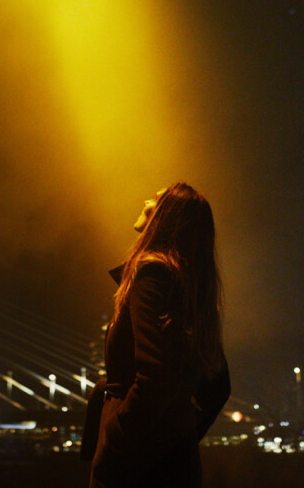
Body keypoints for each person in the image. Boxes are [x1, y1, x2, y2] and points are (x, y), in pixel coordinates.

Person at [84, 183, 231, 488]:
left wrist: (117, 436)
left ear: (166, 216)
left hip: (134, 464)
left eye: (157, 197)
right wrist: (180, 432)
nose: (146, 198)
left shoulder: (151, 273)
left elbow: (155, 375)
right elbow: (218, 385)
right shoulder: (191, 288)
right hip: (174, 462)